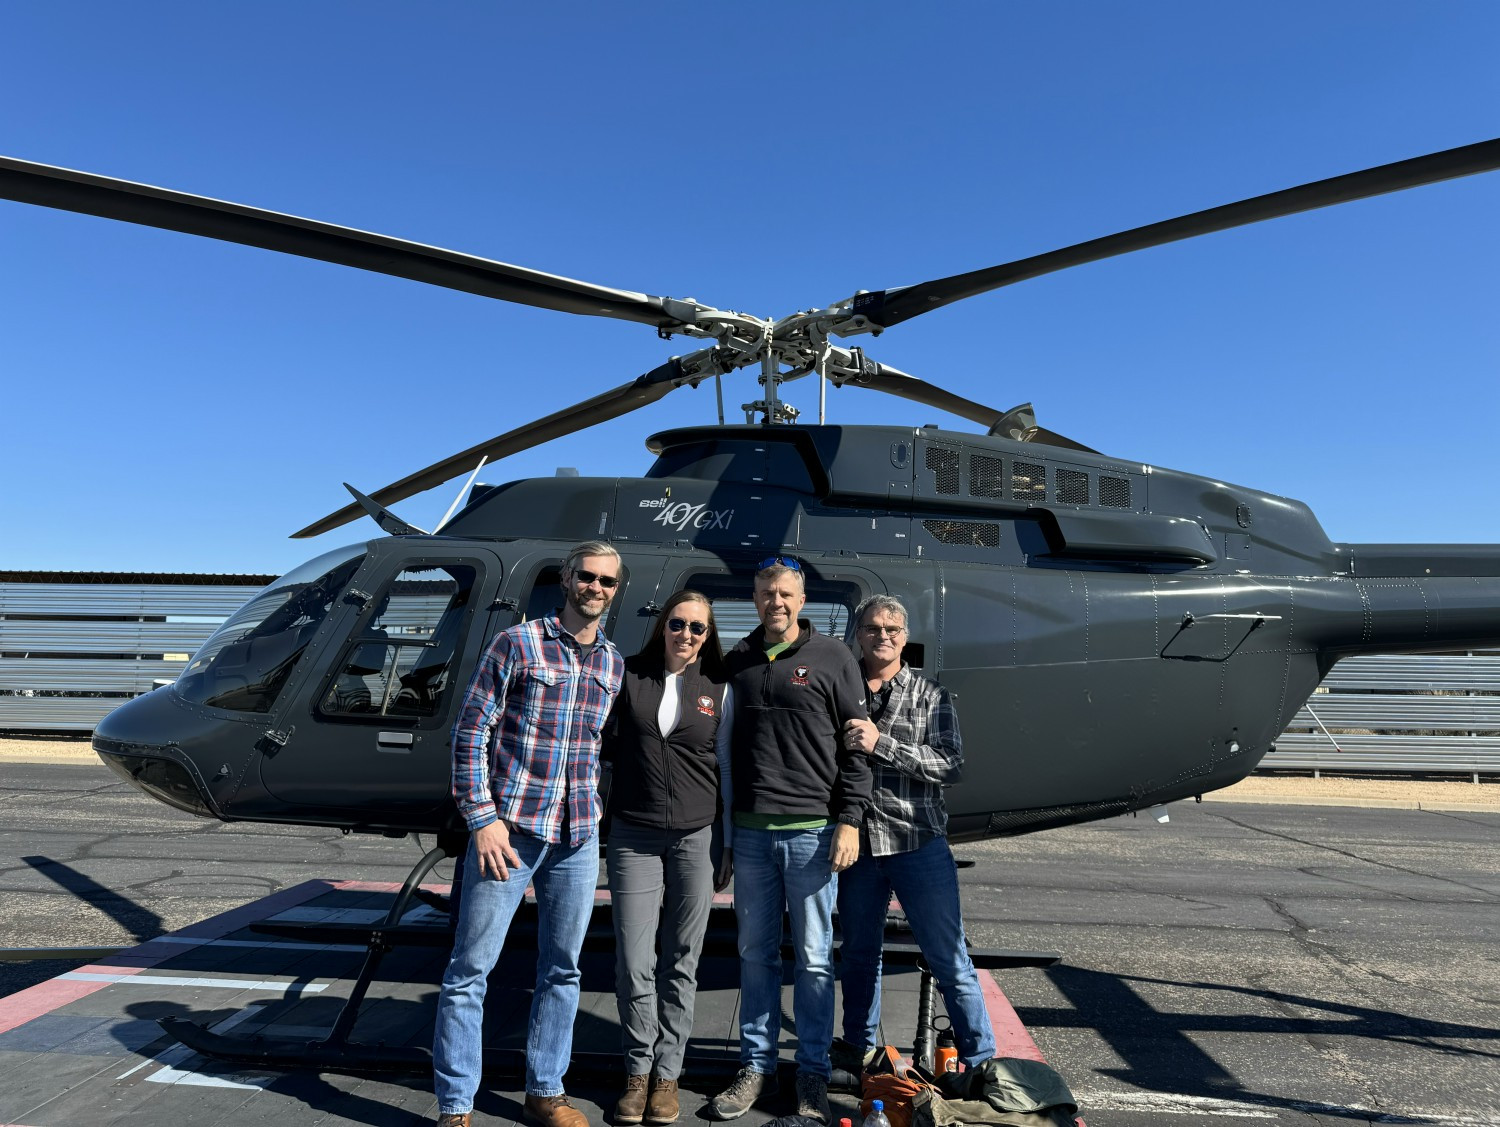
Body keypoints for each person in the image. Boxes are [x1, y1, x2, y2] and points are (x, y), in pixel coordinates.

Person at [432, 542, 627, 1127]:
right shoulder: (518, 643)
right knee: (470, 971)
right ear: (567, 579)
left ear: (616, 590)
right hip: (510, 832)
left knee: (563, 969)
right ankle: (457, 1106)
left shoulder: (612, 662)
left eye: (607, 581)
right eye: (587, 577)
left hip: (577, 836)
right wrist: (482, 821)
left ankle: (546, 1090)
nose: (596, 588)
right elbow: (470, 732)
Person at [707, 558, 872, 1125]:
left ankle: (811, 1074)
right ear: (752, 597)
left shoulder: (834, 658)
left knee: (813, 959)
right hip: (751, 836)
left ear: (801, 600)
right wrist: (725, 837)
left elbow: (857, 745)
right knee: (754, 955)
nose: (774, 602)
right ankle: (756, 1066)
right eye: (764, 593)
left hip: (812, 834)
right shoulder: (738, 662)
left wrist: (849, 818)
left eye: (785, 593)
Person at [833, 594, 995, 1078]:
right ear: (857, 634)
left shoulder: (931, 695)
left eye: (893, 629)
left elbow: (951, 764)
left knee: (948, 957)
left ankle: (981, 1061)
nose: (882, 636)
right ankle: (858, 1048)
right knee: (858, 955)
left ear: (905, 637)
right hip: (857, 845)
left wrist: (883, 745)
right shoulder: (841, 690)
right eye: (873, 628)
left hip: (917, 844)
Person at [603, 590, 735, 1125]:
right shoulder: (626, 673)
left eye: (697, 628)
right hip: (633, 834)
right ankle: (637, 1071)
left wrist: (724, 841)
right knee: (635, 960)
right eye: (677, 624)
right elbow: (599, 745)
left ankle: (667, 1075)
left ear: (709, 636)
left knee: (682, 959)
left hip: (696, 837)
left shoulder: (720, 689)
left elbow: (727, 766)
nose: (686, 635)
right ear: (662, 626)